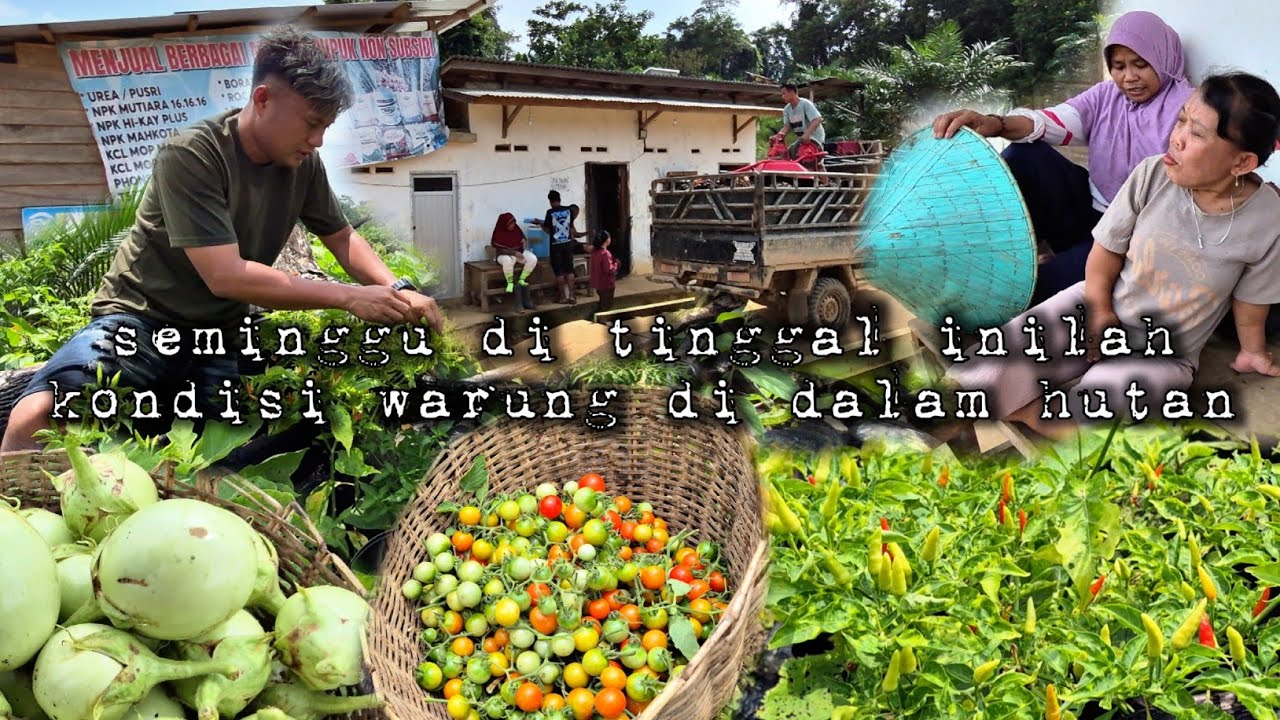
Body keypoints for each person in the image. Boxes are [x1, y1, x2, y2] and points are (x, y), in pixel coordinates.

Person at [1, 26, 443, 453]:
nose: (317, 140)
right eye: (311, 123)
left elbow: (342, 237)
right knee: (37, 416)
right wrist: (348, 297)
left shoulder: (304, 164)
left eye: (325, 126)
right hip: (143, 320)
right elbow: (225, 276)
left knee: (230, 452)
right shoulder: (195, 153)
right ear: (263, 99)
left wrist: (398, 290)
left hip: (219, 335)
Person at [943, 72, 1280, 438]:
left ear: (1242, 163)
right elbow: (1105, 251)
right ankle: (923, 428)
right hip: (1099, 302)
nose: (1177, 138)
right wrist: (1100, 310)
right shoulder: (1152, 174)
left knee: (1108, 405)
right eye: (1181, 119)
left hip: (1164, 351)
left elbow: (1251, 299)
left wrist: (1253, 351)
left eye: (1196, 133)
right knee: (999, 359)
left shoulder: (1267, 218)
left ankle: (1040, 415)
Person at [932, 11, 1195, 305]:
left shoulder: (1189, 109)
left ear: (1162, 57)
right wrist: (997, 123)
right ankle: (1007, 250)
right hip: (1089, 216)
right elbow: (1051, 122)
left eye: (1140, 64)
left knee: (1035, 290)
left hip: (1135, 240)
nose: (1129, 77)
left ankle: (1051, 273)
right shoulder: (1106, 96)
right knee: (1024, 153)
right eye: (1118, 66)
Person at [542, 190, 586, 304]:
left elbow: (547, 229)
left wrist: (541, 225)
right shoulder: (568, 211)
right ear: (560, 199)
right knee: (570, 271)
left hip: (555, 246)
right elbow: (571, 228)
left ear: (550, 201)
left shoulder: (550, 212)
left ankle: (562, 297)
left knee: (559, 273)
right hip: (568, 245)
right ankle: (572, 296)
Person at [490, 212, 537, 311]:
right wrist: (514, 253)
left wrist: (524, 240)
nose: (512, 226)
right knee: (507, 261)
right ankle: (510, 283)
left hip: (518, 252)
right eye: (510, 224)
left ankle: (521, 280)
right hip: (503, 255)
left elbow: (522, 236)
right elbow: (500, 249)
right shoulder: (499, 232)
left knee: (533, 259)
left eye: (513, 223)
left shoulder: (516, 229)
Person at [775, 82, 824, 161]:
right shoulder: (787, 109)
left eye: (784, 93)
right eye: (782, 94)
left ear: (792, 92)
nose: (782, 96)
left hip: (814, 140)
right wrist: (778, 137)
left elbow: (818, 119)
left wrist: (807, 134)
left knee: (813, 162)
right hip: (802, 140)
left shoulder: (805, 104)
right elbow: (786, 126)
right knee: (787, 154)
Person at [590, 230, 620, 313]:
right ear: (607, 241)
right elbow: (609, 269)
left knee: (602, 302)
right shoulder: (605, 253)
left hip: (598, 284)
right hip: (607, 283)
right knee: (607, 305)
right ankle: (603, 320)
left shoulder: (595, 252)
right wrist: (616, 264)